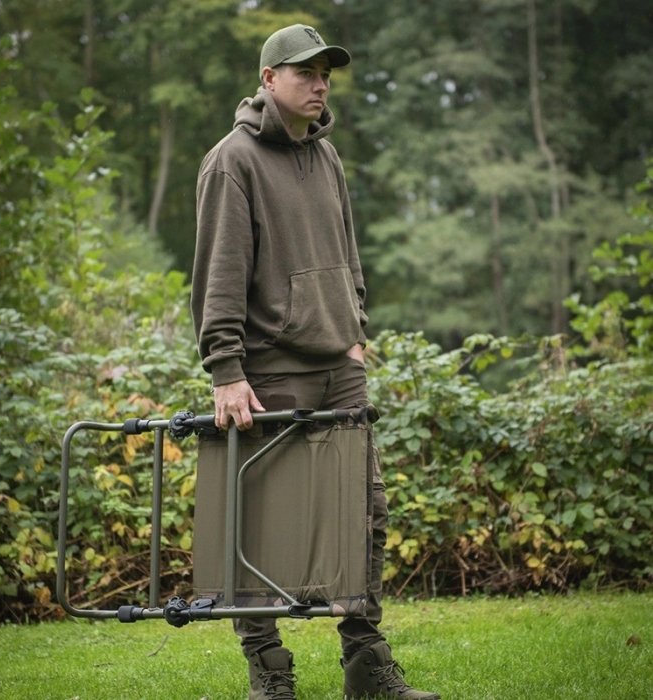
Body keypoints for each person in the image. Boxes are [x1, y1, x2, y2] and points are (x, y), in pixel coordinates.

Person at [191, 23, 440, 700]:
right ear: (269, 79)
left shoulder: (326, 156)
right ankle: (269, 671)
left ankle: (367, 664)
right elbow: (218, 274)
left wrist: (354, 328)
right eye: (305, 72)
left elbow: (348, 252)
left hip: (340, 364)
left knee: (365, 513)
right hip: (269, 369)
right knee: (261, 526)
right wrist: (226, 370)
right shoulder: (231, 161)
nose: (320, 83)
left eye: (326, 72)